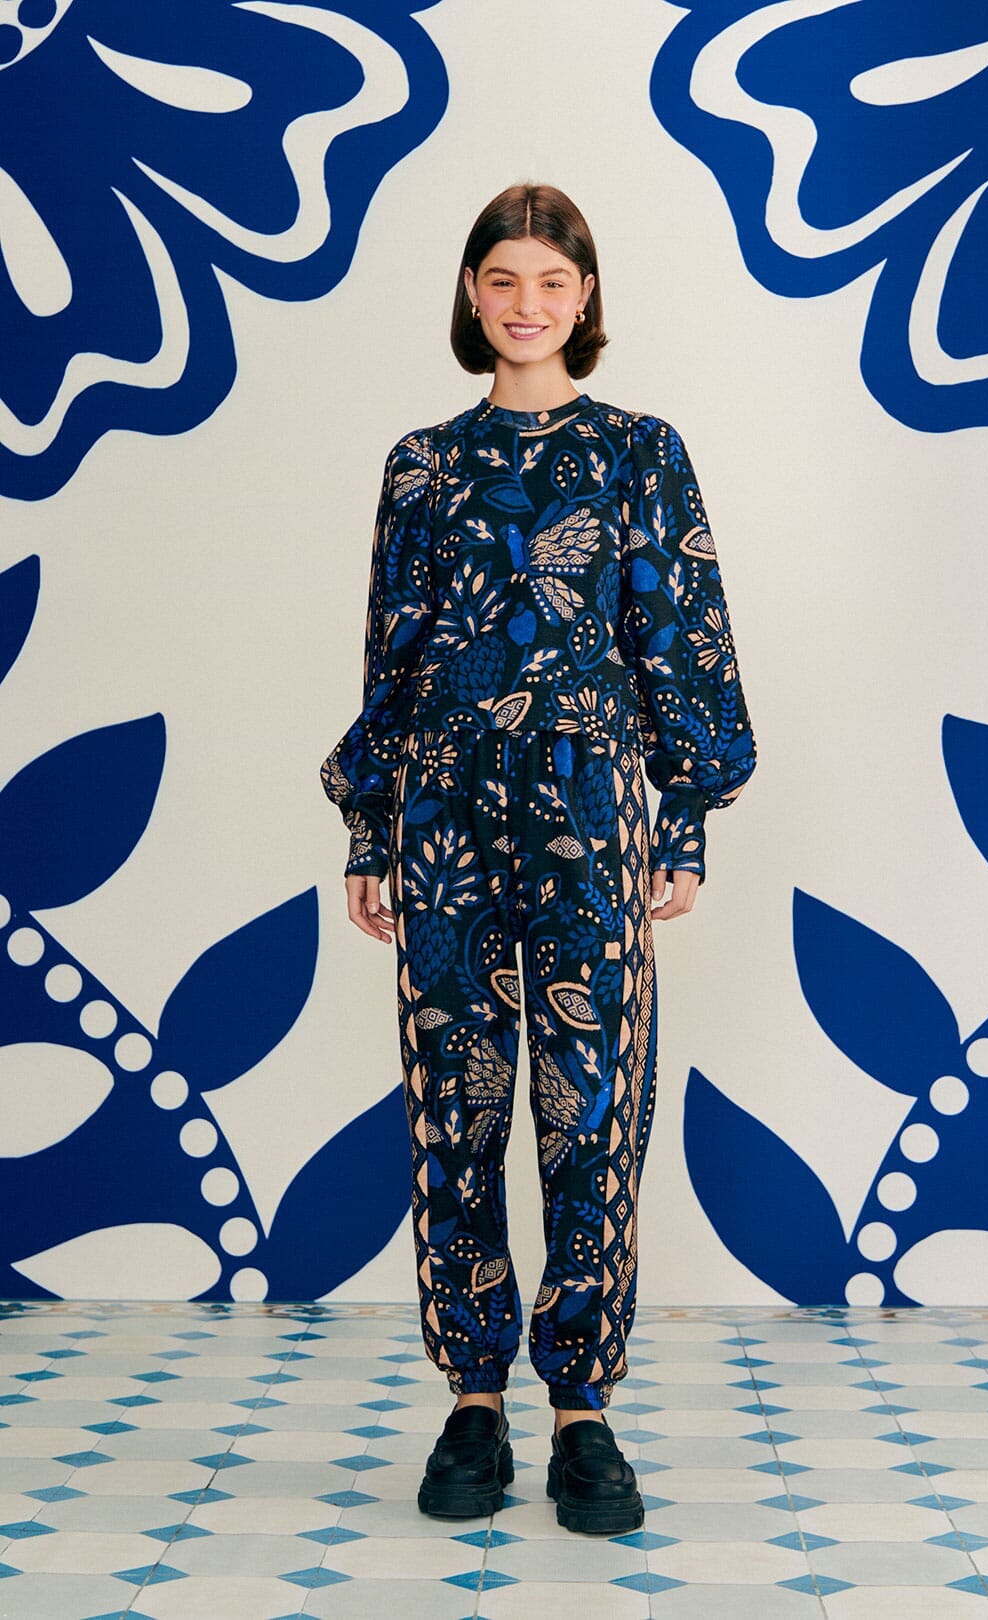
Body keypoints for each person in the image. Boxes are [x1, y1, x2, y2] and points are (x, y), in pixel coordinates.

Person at [320, 181, 756, 1535]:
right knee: (456, 1112)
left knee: (591, 1111)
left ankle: (581, 1410)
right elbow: (394, 655)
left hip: (592, 821)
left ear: (585, 297)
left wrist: (683, 819)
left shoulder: (639, 453)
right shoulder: (422, 464)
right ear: (472, 294)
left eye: (551, 282)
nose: (526, 304)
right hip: (444, 824)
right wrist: (371, 826)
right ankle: (472, 1400)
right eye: (502, 279)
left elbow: (679, 638)